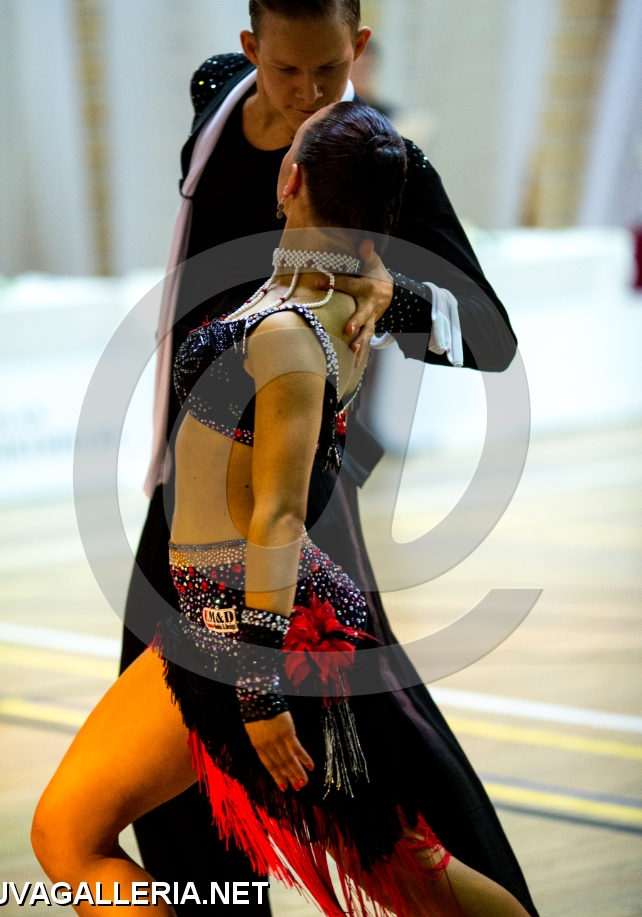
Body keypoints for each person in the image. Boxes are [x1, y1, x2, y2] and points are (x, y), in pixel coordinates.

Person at [32, 100, 535, 917]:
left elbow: (279, 518)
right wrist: (390, 280)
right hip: (226, 621)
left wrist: (258, 691)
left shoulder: (292, 331)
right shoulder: (342, 295)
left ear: (290, 180)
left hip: (256, 636)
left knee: (411, 873)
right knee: (410, 870)